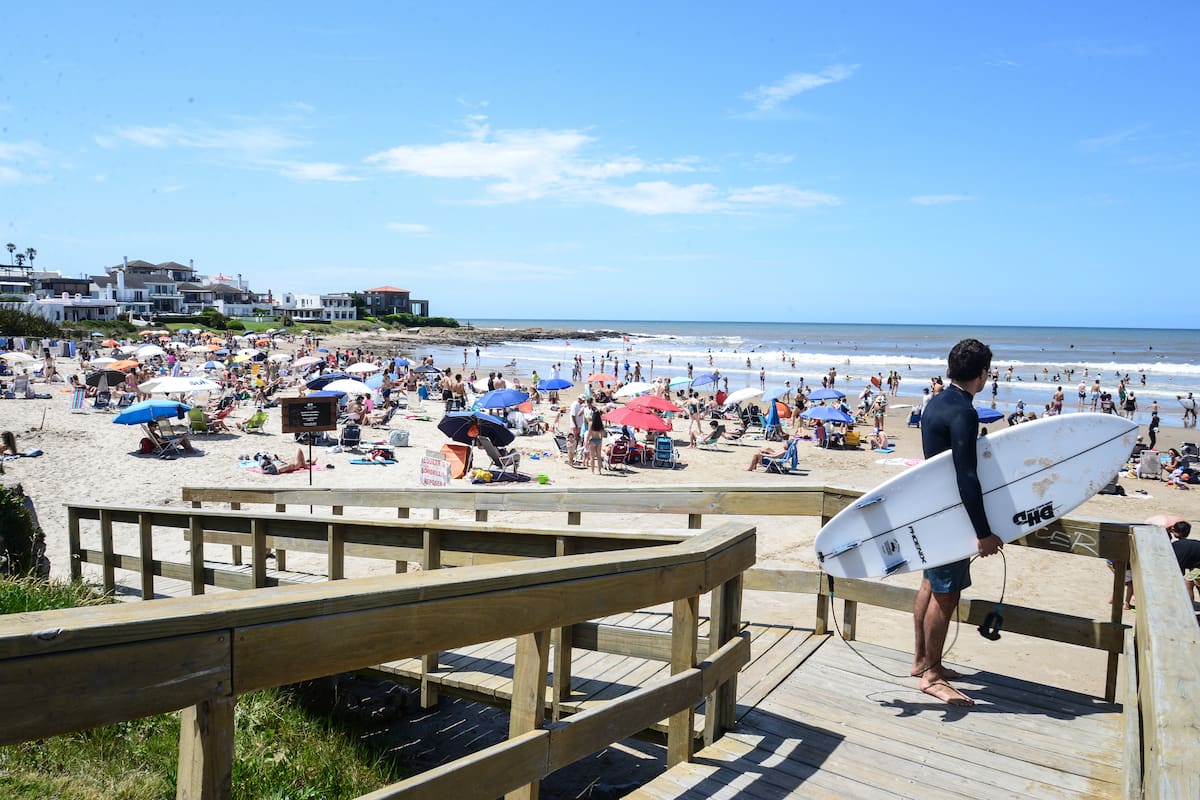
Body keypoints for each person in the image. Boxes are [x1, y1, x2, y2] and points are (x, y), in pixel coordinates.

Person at [912, 338, 1003, 707]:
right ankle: (932, 675)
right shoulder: (964, 412)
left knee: (929, 584)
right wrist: (983, 533)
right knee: (945, 594)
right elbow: (966, 475)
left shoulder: (935, 402)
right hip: (951, 515)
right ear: (982, 374)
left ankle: (921, 661)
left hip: (931, 509)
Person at [1169, 520, 1200, 602]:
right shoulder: (1190, 544)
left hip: (1198, 566)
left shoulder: (1177, 546)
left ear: (1174, 531)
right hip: (1197, 566)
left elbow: (1178, 568)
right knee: (1196, 582)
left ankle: (1188, 607)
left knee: (1188, 582)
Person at [586, 405, 604, 474]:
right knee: (599, 457)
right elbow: (602, 434)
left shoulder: (591, 423)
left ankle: (593, 471)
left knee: (592, 457)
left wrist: (587, 441)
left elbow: (589, 433)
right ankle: (599, 471)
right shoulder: (601, 424)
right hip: (599, 440)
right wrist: (601, 440)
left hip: (593, 440)